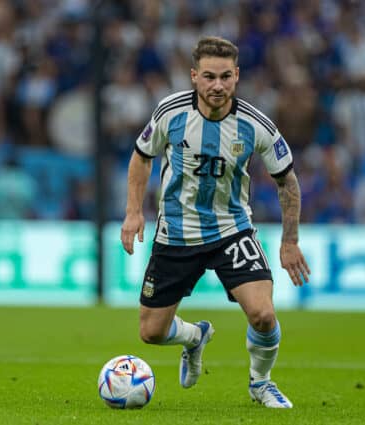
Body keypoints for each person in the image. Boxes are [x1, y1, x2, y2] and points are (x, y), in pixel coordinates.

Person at [120, 36, 310, 409]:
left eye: (225, 76)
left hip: (231, 230)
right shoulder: (170, 113)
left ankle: (261, 383)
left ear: (237, 76)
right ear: (194, 76)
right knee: (151, 333)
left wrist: (290, 241)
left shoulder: (255, 125)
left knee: (263, 314)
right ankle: (194, 337)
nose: (217, 85)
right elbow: (142, 157)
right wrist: (133, 211)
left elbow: (287, 179)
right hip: (176, 233)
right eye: (209, 76)